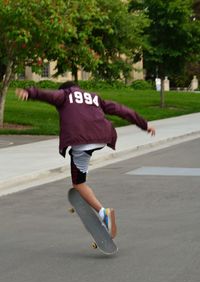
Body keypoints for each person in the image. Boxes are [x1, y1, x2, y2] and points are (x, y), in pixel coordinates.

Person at [15, 81, 155, 239]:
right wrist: (144, 124)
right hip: (103, 136)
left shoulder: (65, 95)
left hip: (82, 141)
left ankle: (104, 213)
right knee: (81, 174)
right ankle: (101, 211)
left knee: (78, 183)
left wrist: (30, 92)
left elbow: (49, 95)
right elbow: (120, 109)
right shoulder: (94, 97)